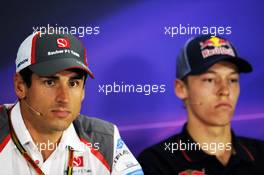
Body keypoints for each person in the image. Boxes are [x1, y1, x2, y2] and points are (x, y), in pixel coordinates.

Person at [0, 32, 143, 175]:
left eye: (73, 83)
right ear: (20, 86)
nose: (64, 98)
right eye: (50, 82)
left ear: (83, 91)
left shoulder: (105, 139)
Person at [138, 35, 264, 175]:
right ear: (181, 88)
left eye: (233, 80)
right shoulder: (157, 163)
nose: (225, 90)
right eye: (210, 79)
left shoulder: (261, 154)